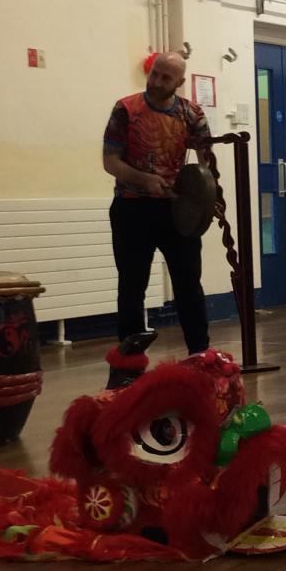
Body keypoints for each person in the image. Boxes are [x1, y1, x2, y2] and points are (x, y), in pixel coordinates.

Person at [103, 52, 210, 355]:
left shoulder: (192, 114)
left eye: (166, 78)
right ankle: (130, 363)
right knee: (132, 285)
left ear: (179, 81)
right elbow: (110, 161)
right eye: (155, 74)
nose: (158, 82)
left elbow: (206, 161)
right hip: (132, 208)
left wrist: (206, 195)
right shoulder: (126, 109)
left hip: (177, 210)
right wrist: (143, 179)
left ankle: (200, 356)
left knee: (189, 283)